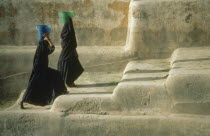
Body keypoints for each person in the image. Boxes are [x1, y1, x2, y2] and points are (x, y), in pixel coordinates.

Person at [20, 34, 67, 109]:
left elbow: (51, 48)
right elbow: (52, 48)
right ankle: (22, 101)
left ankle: (60, 92)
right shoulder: (43, 51)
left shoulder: (40, 50)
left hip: (42, 69)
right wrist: (48, 40)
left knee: (56, 74)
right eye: (46, 45)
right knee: (32, 87)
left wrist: (46, 39)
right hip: (40, 71)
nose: (47, 46)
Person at [57, 17, 84, 87]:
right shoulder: (70, 35)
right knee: (73, 68)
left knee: (70, 68)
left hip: (66, 56)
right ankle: (69, 82)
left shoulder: (64, 35)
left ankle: (69, 82)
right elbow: (74, 44)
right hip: (69, 56)